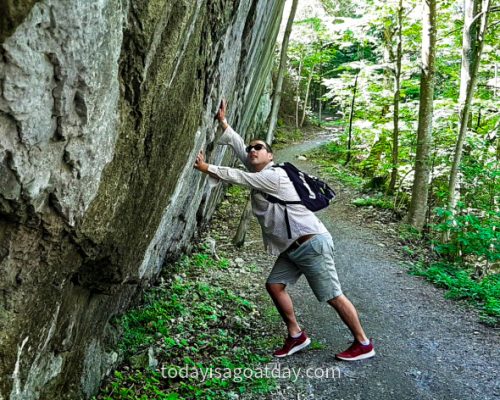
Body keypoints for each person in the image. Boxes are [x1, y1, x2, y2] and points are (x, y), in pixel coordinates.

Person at [193, 100, 375, 361]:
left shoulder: (274, 176)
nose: (252, 150)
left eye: (259, 148)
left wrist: (207, 168)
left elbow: (241, 177)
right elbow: (239, 148)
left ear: (270, 156)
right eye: (251, 148)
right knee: (274, 285)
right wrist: (223, 123)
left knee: (333, 296)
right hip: (292, 249)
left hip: (311, 244)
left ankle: (363, 343)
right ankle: (296, 335)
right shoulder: (261, 170)